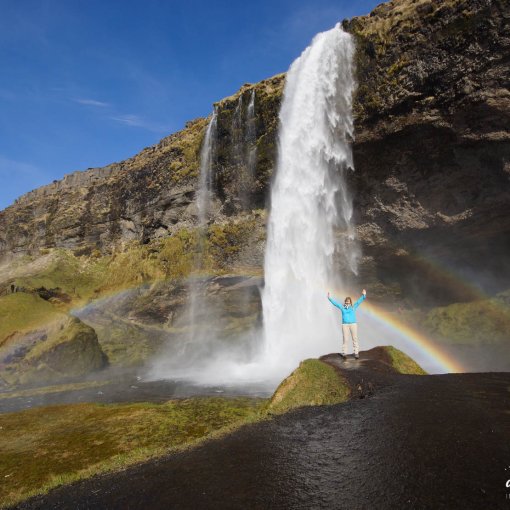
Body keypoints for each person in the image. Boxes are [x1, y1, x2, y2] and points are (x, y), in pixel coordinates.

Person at [327, 289, 366, 360]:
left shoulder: (353, 307)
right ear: (345, 302)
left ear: (351, 303)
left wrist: (363, 295)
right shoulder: (342, 308)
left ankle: (356, 353)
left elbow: (358, 302)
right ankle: (344, 352)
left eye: (348, 302)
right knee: (345, 339)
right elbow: (335, 304)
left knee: (355, 338)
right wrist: (329, 298)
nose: (347, 303)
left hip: (353, 324)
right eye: (346, 302)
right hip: (344, 325)